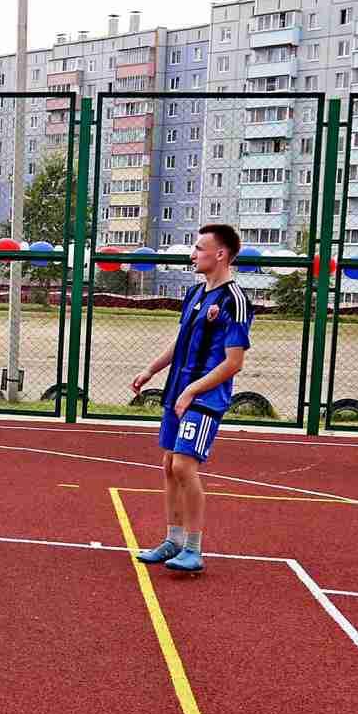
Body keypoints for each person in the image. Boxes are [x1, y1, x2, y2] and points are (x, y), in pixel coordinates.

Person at [131, 224, 252, 574]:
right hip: (176, 390)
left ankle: (195, 548)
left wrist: (192, 389)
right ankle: (173, 540)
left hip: (205, 397)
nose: (193, 254)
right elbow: (181, 341)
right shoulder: (196, 294)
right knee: (169, 466)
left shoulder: (235, 301)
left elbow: (234, 362)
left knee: (184, 465)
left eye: (199, 248)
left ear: (221, 254)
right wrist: (151, 370)